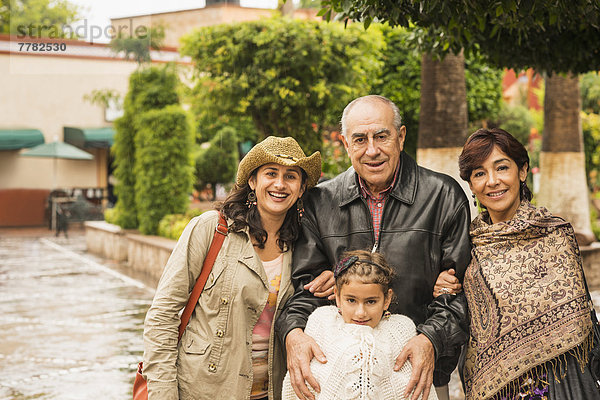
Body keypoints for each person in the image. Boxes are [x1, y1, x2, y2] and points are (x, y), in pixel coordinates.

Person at [275, 95, 472, 400]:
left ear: (401, 137)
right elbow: (305, 292)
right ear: (345, 144)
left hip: (417, 378)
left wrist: (429, 339)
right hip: (337, 382)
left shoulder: (443, 196)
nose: (372, 150)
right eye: (360, 139)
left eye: (382, 136)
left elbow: (459, 295)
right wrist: (293, 335)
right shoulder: (320, 201)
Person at [142, 136, 321, 400]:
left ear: (302, 188)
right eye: (271, 173)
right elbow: (162, 316)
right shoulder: (211, 229)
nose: (280, 184)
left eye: (291, 176)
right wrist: (164, 393)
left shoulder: (305, 245)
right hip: (204, 390)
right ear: (253, 180)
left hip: (275, 392)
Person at [435, 128, 599, 399]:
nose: (492, 181)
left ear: (522, 171)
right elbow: (457, 322)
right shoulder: (465, 246)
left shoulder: (555, 234)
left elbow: (583, 324)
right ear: (471, 184)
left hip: (560, 387)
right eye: (479, 173)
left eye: (502, 168)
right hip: (494, 389)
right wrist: (444, 290)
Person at [281, 250, 439, 400]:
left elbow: (411, 384)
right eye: (351, 300)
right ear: (336, 295)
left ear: (387, 299)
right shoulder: (322, 322)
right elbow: (307, 378)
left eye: (371, 301)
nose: (360, 313)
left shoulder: (400, 329)